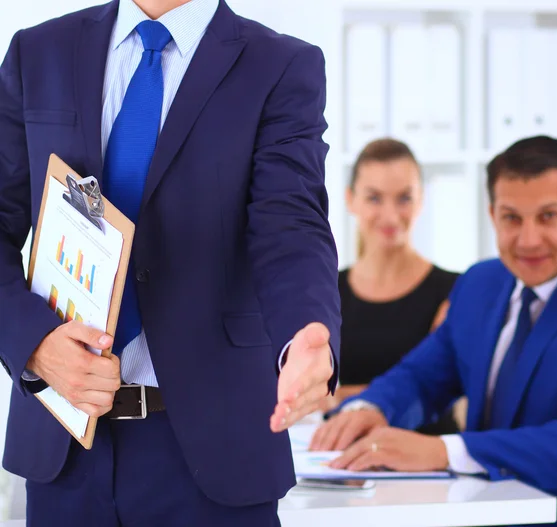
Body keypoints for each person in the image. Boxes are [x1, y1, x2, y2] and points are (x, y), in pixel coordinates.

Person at [0, 1, 341, 525]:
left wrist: (308, 330)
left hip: (212, 455)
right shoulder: (37, 52)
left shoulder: (278, 66)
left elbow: (289, 225)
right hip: (64, 446)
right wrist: (35, 345)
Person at [310, 135, 557, 527]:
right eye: (512, 218)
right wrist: (371, 408)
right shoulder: (482, 283)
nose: (529, 239)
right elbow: (424, 375)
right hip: (480, 514)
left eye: (548, 216)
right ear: (492, 214)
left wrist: (444, 451)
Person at [330, 138, 459, 434]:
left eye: (404, 198)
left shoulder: (455, 290)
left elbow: (437, 382)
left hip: (428, 461)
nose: (390, 216)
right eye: (374, 198)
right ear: (351, 200)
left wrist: (342, 397)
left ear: (421, 199)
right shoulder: (328, 292)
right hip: (351, 456)